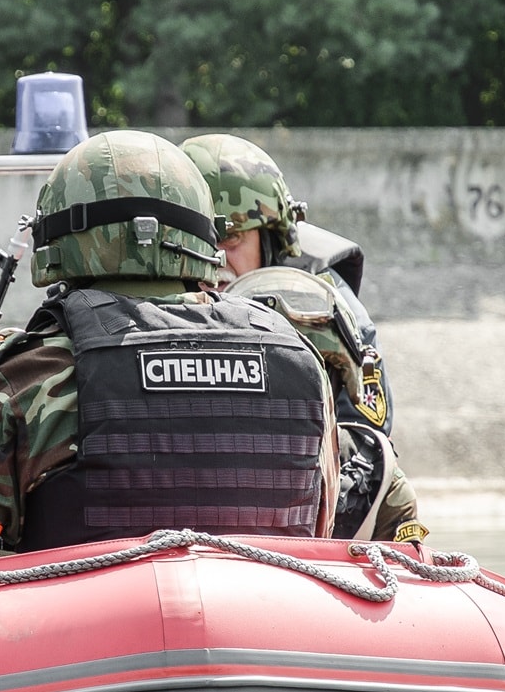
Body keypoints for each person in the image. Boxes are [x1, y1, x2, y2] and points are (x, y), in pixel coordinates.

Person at [0, 129, 341, 572]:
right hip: (263, 644)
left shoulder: (26, 376)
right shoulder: (298, 363)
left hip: (77, 648)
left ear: (56, 242)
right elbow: (319, 541)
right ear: (204, 238)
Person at [180, 133, 425, 543]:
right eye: (202, 245)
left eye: (232, 240)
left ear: (272, 238)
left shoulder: (326, 313)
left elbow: (362, 445)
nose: (216, 260)